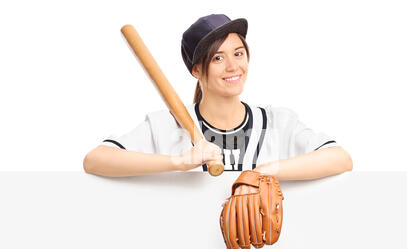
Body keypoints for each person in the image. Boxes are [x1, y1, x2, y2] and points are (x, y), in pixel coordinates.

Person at [83, 14, 353, 191]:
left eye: (238, 53)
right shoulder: (166, 124)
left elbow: (340, 158)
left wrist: (261, 173)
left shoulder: (277, 121)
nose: (233, 66)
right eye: (218, 58)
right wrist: (177, 162)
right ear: (196, 70)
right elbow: (95, 160)